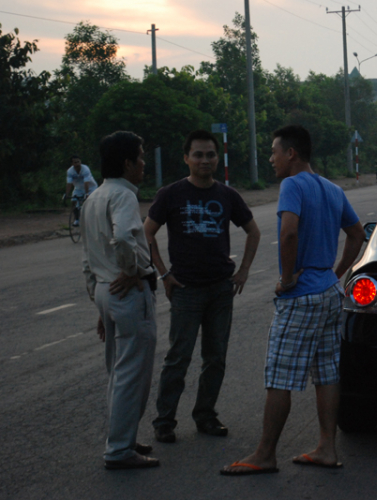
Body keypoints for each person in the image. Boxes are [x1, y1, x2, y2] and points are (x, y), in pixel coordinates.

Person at [221, 125, 365, 476]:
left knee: (280, 376)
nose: (271, 159)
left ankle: (265, 454)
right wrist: (336, 273)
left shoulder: (292, 185)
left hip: (300, 296)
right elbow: (357, 233)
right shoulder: (332, 188)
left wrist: (287, 279)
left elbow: (288, 232)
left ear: (292, 154)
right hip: (330, 293)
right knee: (327, 372)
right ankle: (327, 448)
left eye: (273, 152)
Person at [146, 129, 261, 444]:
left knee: (215, 357)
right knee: (178, 356)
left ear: (217, 157)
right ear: (186, 158)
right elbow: (147, 233)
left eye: (210, 154)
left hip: (221, 288)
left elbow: (254, 231)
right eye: (198, 154)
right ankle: (164, 421)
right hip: (185, 289)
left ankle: (206, 416)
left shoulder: (227, 195)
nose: (205, 160)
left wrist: (244, 270)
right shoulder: (170, 194)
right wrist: (164, 274)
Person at [81, 131, 159, 470]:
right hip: (127, 290)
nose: (143, 164)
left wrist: (100, 304)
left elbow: (87, 257)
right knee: (133, 372)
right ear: (127, 163)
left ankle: (122, 438)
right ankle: (119, 450)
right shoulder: (123, 197)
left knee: (118, 369)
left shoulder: (94, 197)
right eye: (140, 158)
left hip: (104, 289)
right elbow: (125, 237)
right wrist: (137, 269)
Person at [64, 155, 98, 226]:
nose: (77, 163)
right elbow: (69, 183)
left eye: (78, 161)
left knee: (90, 202)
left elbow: (86, 182)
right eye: (75, 162)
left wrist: (86, 193)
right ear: (72, 164)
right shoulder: (70, 171)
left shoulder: (85, 169)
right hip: (78, 188)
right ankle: (77, 219)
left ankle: (94, 217)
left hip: (90, 188)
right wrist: (66, 194)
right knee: (73, 202)